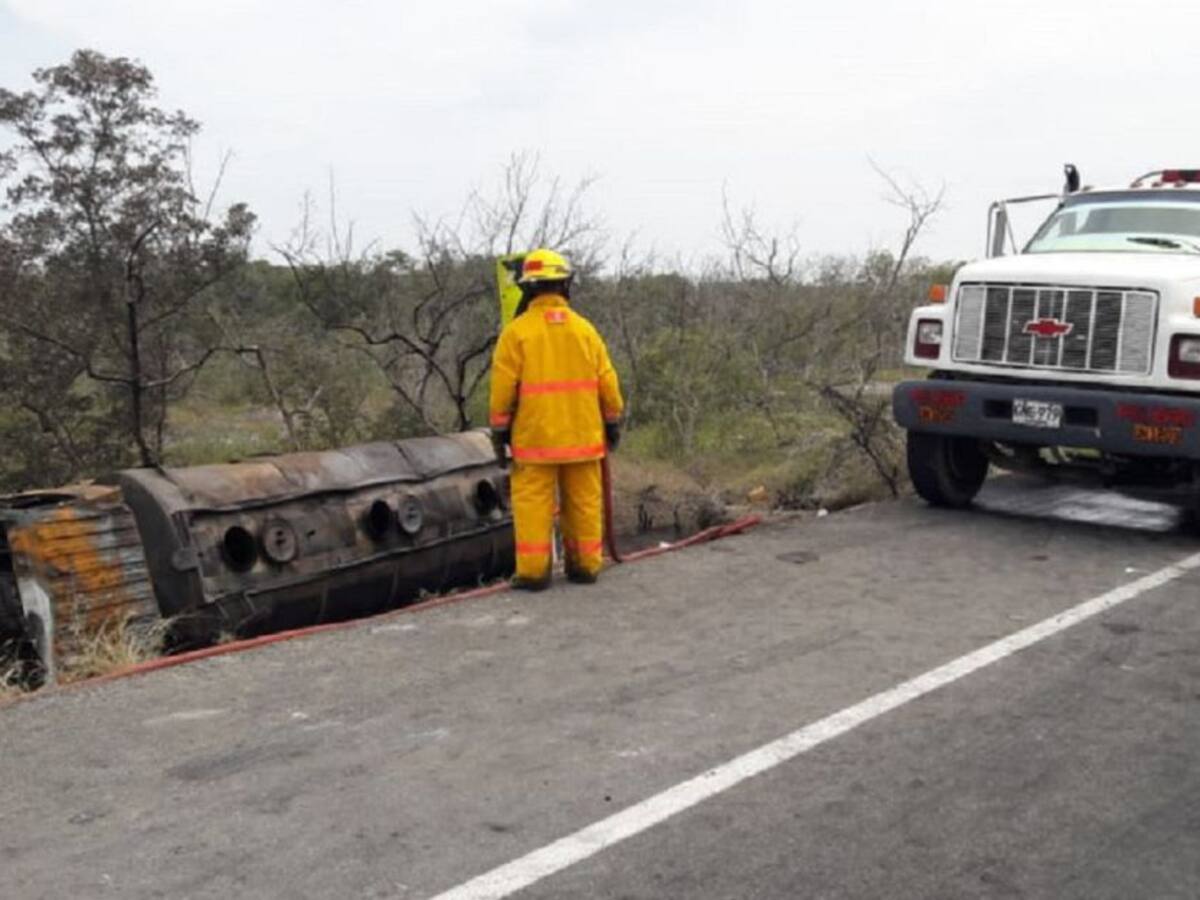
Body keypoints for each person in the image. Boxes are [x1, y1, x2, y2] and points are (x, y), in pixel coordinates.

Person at [489, 248, 624, 590]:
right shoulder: (585, 331)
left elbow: (503, 388)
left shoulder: (516, 333)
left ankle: (534, 574)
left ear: (528, 289)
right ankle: (585, 567)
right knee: (584, 504)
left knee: (533, 506)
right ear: (565, 285)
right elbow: (608, 382)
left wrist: (499, 430)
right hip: (583, 438)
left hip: (536, 442)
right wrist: (612, 421)